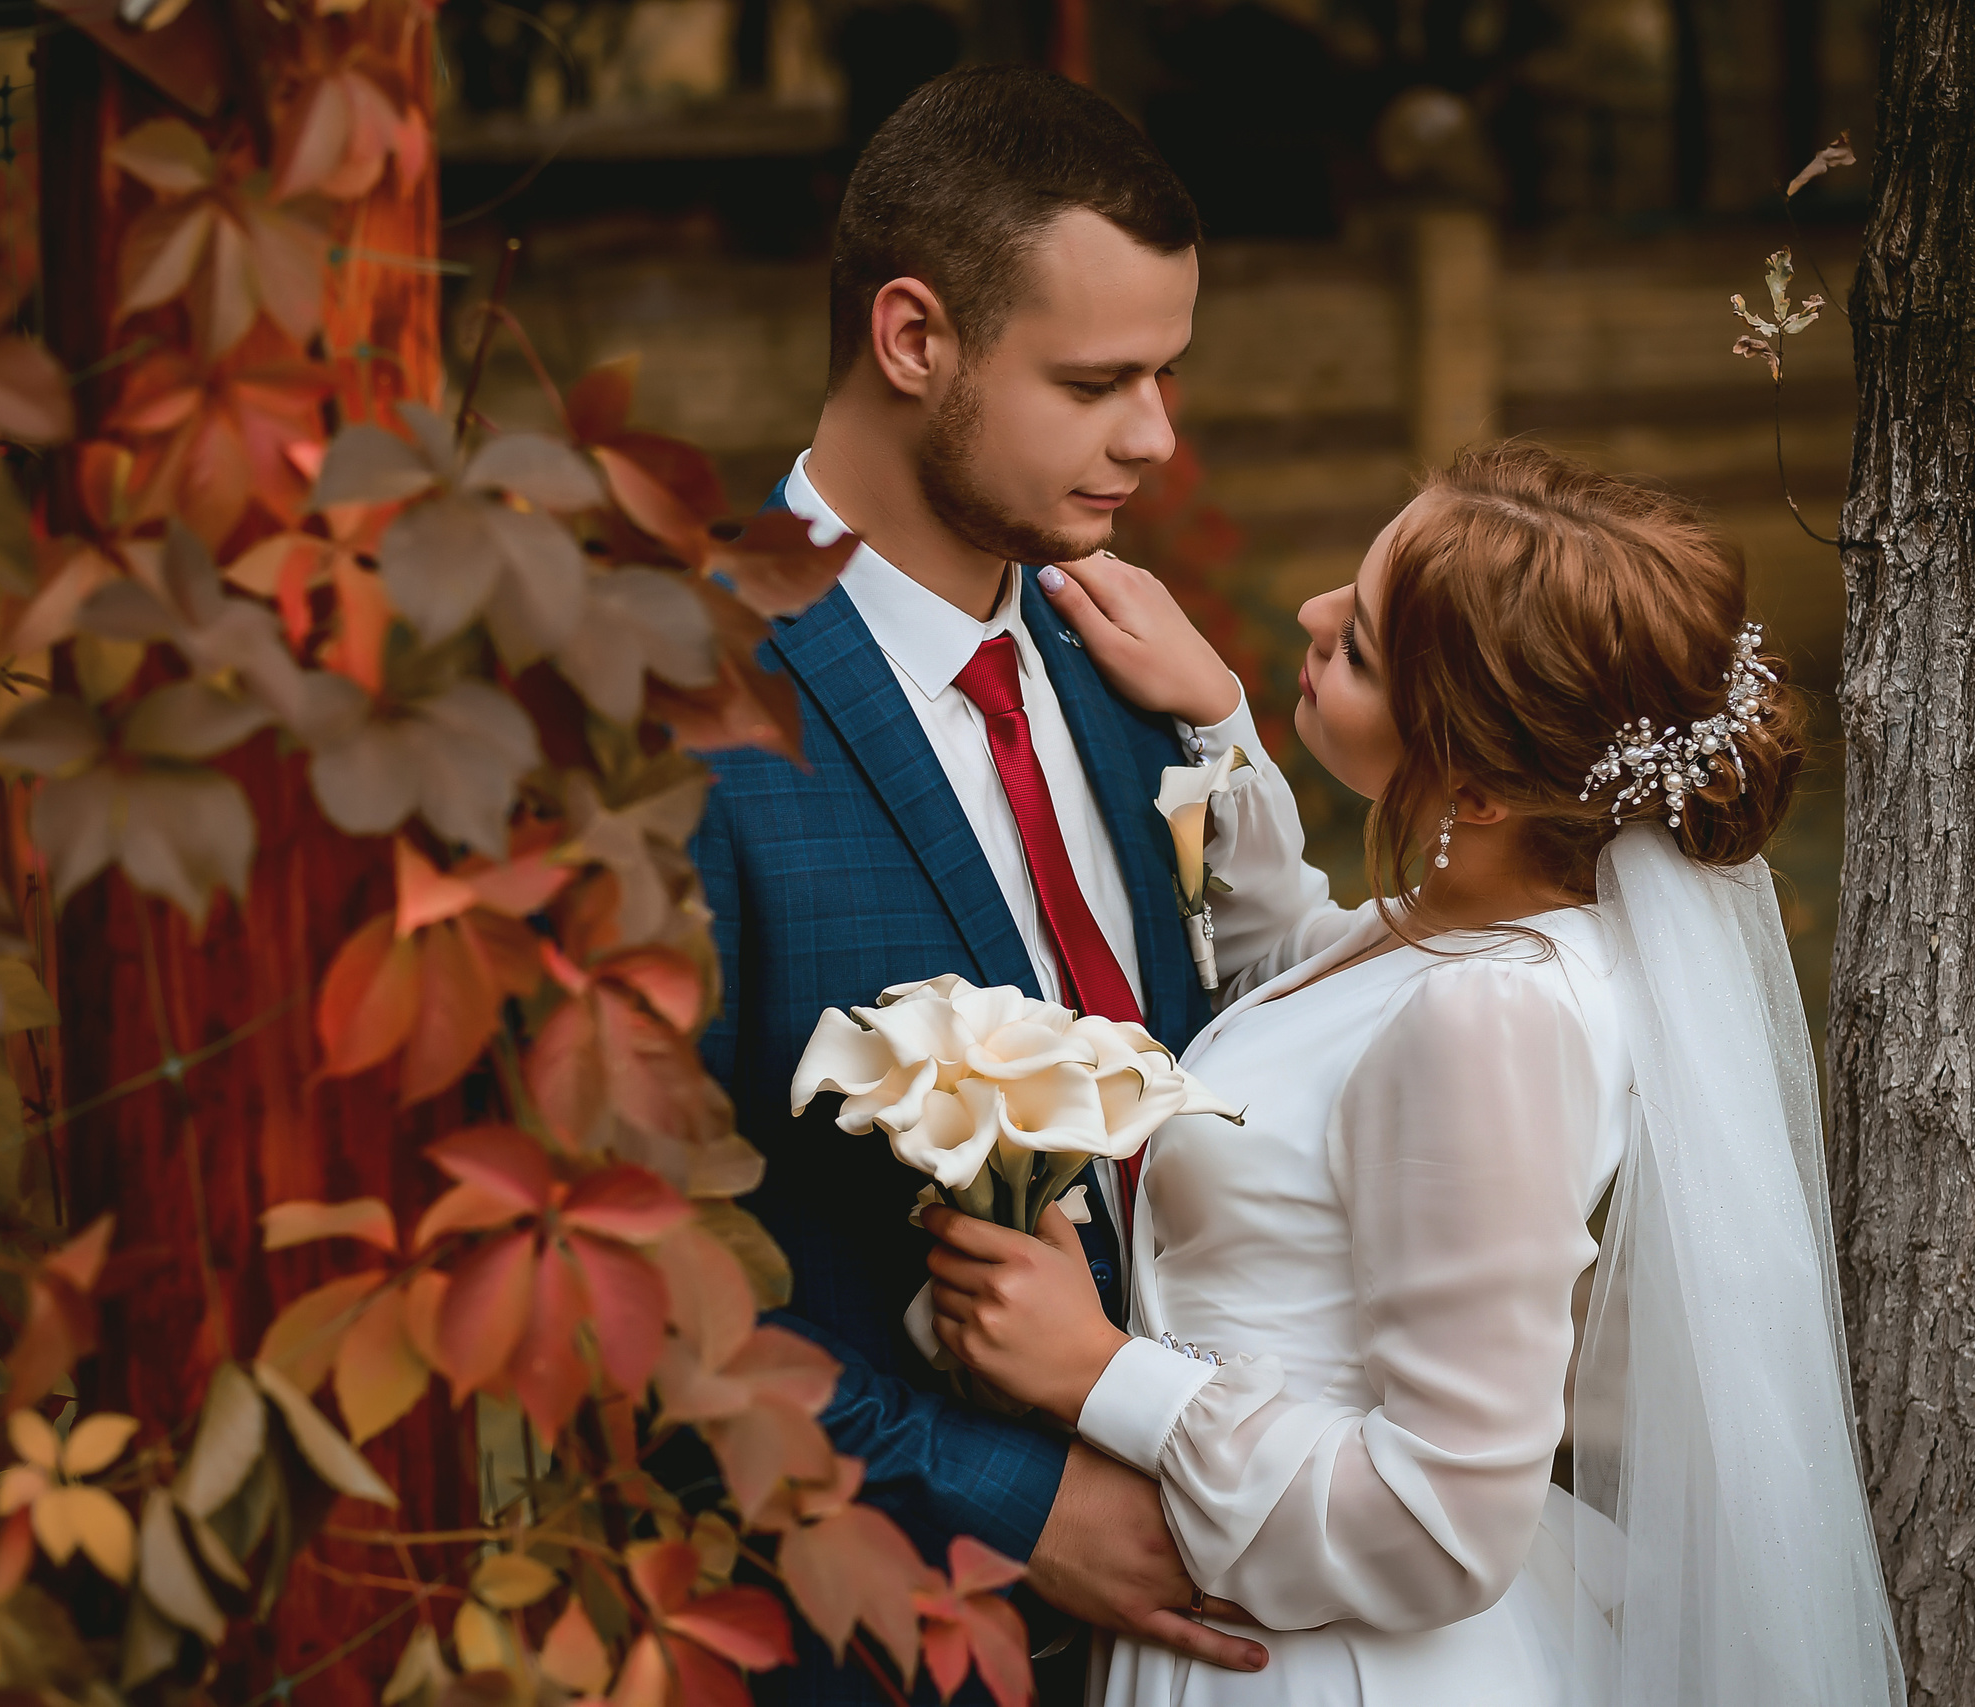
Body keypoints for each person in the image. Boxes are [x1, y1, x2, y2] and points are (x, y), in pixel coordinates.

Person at [922, 444, 1908, 1706]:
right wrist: (1220, 723)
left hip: (1331, 1660)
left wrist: (1100, 1373)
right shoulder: (1466, 935)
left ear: (1482, 788)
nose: (1311, 616)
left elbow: (1444, 1524)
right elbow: (1303, 1015)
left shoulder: (1495, 1019)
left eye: (1365, 645)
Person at [687, 65, 1270, 1701]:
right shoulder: (691, 713)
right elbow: (648, 1290)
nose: (1154, 436)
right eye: (1097, 381)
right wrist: (1019, 1509)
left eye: (1165, 374)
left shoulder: (1113, 662)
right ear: (913, 338)